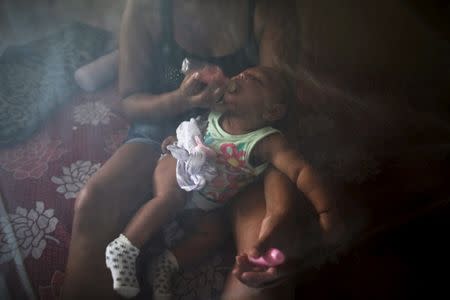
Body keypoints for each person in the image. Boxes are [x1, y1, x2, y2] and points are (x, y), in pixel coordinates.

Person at [62, 1, 323, 300]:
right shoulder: (147, 8)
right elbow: (131, 101)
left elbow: (281, 121)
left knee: (264, 265)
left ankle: (171, 263)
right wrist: (182, 101)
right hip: (165, 132)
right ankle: (123, 251)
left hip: (246, 148)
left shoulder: (267, 10)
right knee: (93, 203)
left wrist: (280, 212)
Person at [104, 65, 342, 299]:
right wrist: (175, 136)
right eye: (242, 73)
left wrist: (325, 207)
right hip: (178, 168)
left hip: (207, 203)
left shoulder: (266, 142)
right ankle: (124, 247)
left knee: (214, 233)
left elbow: (300, 171)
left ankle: (166, 263)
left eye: (255, 80)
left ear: (273, 112)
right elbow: (193, 121)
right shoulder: (218, 108)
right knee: (172, 197)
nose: (242, 75)